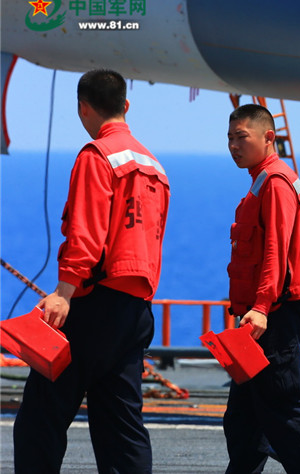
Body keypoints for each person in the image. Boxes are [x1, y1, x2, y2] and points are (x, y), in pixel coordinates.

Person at [13, 69, 170, 473]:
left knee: (40, 419)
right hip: (135, 310)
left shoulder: (96, 156)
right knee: (121, 427)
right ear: (125, 105)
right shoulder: (154, 166)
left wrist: (63, 293)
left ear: (83, 107)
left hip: (91, 306)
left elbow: (86, 234)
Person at [222, 104, 300, 474]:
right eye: (230, 138)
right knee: (243, 421)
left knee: (284, 410)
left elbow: (276, 250)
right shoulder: (263, 180)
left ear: (269, 137)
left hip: (274, 317)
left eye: (242, 137)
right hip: (262, 317)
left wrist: (262, 306)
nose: (234, 146)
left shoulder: (275, 182)